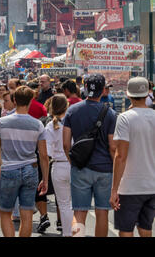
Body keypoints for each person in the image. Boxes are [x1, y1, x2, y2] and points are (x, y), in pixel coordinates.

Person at [62, 74, 117, 237]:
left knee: (79, 212)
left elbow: (66, 144)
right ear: (103, 90)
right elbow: (113, 146)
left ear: (85, 88)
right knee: (102, 212)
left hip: (80, 167)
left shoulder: (72, 110)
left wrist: (72, 161)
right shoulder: (110, 113)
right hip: (105, 169)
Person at [0, 86, 49, 237]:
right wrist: (45, 179)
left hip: (9, 169)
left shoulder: (2, 123)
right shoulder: (38, 124)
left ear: (15, 100)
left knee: (5, 212)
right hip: (31, 169)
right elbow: (43, 155)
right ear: (31, 100)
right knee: (27, 212)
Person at [110, 77, 155, 237]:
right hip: (151, 184)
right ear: (147, 94)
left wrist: (114, 189)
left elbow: (120, 155)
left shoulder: (125, 118)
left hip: (129, 185)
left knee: (126, 229)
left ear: (128, 95)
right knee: (146, 227)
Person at [45, 94, 73, 237]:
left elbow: (47, 153)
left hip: (59, 166)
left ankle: (67, 233)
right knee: (76, 204)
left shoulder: (51, 126)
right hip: (74, 165)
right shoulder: (74, 122)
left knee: (63, 204)